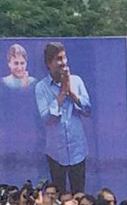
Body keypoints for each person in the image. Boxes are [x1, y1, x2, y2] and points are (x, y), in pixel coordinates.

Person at [35, 42, 91, 194]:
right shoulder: (41, 87)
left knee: (79, 194)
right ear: (49, 63)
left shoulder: (77, 81)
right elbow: (47, 118)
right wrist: (61, 94)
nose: (63, 62)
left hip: (77, 149)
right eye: (59, 59)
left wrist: (71, 92)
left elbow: (87, 110)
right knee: (59, 195)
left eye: (64, 58)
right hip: (55, 151)